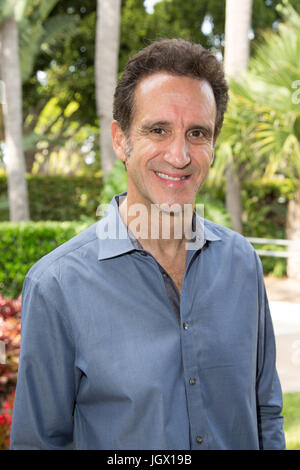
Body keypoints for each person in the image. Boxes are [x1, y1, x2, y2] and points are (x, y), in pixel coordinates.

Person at [10, 38, 285, 450]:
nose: (179, 155)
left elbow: (265, 413)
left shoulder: (242, 263)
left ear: (212, 145)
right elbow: (39, 443)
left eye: (197, 133)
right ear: (121, 140)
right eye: (158, 130)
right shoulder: (57, 287)